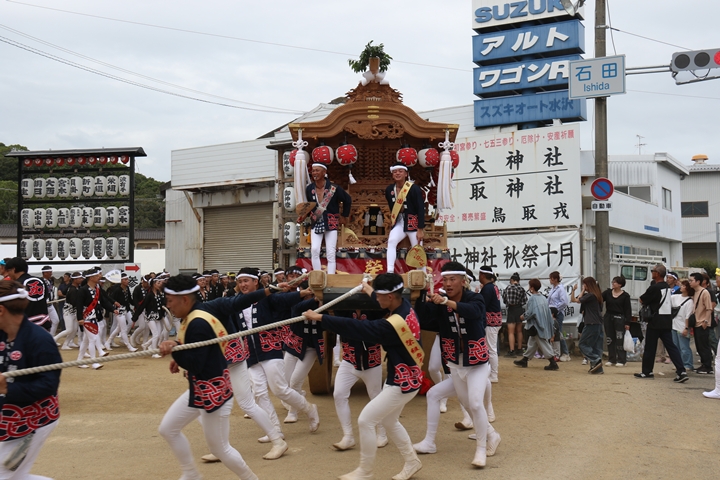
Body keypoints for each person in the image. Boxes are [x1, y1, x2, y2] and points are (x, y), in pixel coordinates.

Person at [304, 273, 424, 480]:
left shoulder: (391, 325)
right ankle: (412, 462)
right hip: (406, 375)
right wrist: (368, 289)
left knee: (366, 420)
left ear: (390, 297)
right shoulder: (404, 306)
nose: (376, 300)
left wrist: (321, 318)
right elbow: (380, 302)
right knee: (390, 421)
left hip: (402, 382)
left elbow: (359, 327)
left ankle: (365, 471)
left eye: (379, 296)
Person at [158, 275, 259, 480]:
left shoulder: (198, 323)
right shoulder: (194, 315)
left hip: (214, 393)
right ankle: (191, 473)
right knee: (168, 429)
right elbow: (195, 350)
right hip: (201, 388)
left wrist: (176, 351)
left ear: (184, 299)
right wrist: (178, 348)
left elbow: (196, 363)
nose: (168, 305)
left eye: (170, 301)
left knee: (220, 449)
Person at [413, 262, 497, 469]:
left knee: (475, 404)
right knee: (436, 395)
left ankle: (481, 449)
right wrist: (422, 294)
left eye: (452, 279)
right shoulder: (441, 303)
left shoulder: (475, 298)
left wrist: (446, 302)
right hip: (456, 365)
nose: (448, 284)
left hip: (477, 364)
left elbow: (475, 312)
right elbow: (424, 320)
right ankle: (430, 442)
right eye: (445, 280)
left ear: (463, 281)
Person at [0, 279, 62, 479]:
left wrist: (6, 388)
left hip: (33, 420)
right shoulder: (3, 334)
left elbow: (48, 384)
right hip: (8, 417)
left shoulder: (39, 339)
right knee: (15, 476)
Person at [329, 310, 388, 452]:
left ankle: (382, 433)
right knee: (339, 394)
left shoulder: (374, 307)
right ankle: (348, 436)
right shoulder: (344, 309)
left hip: (371, 362)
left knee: (376, 397)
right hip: (349, 360)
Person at [635, 264, 688, 383]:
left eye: (652, 271)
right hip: (666, 321)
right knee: (671, 347)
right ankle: (681, 371)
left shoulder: (654, 288)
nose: (651, 272)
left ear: (657, 274)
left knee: (650, 347)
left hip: (655, 321)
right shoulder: (667, 287)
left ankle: (647, 371)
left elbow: (642, 299)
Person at [302, 161, 352, 274]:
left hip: (331, 221)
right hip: (316, 221)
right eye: (313, 171)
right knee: (314, 249)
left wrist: (344, 215)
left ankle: (330, 276)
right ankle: (317, 275)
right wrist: (303, 215)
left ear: (324, 172)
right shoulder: (309, 189)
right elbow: (309, 205)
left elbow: (347, 200)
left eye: (317, 170)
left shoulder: (334, 188)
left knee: (330, 252)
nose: (314, 173)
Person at [384, 162, 425, 274]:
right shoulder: (389, 190)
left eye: (400, 171)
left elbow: (421, 209)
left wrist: (420, 229)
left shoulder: (414, 189)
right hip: (399, 222)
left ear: (406, 174)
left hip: (413, 223)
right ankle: (390, 271)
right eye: (395, 172)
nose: (397, 173)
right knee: (391, 241)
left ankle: (422, 274)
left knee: (417, 249)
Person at [75, 268, 117, 370]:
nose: (99, 277)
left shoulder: (97, 289)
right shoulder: (82, 290)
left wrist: (112, 309)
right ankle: (94, 362)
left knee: (86, 340)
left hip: (94, 317)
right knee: (93, 339)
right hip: (86, 318)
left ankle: (79, 360)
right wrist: (80, 318)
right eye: (97, 276)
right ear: (91, 278)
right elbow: (79, 305)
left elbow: (103, 301)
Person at [513, 278, 558, 370]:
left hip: (536, 325)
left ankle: (553, 362)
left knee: (543, 342)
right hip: (543, 323)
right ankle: (525, 359)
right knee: (532, 342)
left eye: (530, 286)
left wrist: (523, 317)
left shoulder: (532, 298)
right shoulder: (543, 298)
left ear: (532, 287)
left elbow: (530, 312)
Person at [4, 258, 50, 331]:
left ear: (13, 269)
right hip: (43, 322)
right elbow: (46, 296)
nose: (8, 274)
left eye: (8, 271)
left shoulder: (16, 285)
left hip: (26, 325)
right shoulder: (41, 281)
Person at [571, 277, 605, 375]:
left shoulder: (590, 295)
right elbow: (576, 299)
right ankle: (598, 368)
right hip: (598, 323)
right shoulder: (597, 295)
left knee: (582, 344)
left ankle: (596, 360)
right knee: (596, 346)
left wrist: (577, 290)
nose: (583, 286)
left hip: (591, 323)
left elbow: (576, 300)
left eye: (584, 284)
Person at [602, 276, 632, 367]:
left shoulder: (625, 296)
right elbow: (599, 299)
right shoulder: (607, 293)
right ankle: (612, 359)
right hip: (608, 317)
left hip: (620, 318)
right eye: (613, 281)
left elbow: (628, 310)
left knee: (620, 338)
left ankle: (621, 360)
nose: (613, 283)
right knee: (610, 338)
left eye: (615, 282)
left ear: (620, 284)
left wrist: (627, 322)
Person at [478, 266, 501, 382]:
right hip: (494, 321)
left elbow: (482, 305)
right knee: (490, 348)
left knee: (491, 349)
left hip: (491, 322)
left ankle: (494, 374)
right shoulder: (492, 286)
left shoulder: (487, 288)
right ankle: (490, 373)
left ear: (482, 275)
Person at [688, 272, 713, 374]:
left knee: (704, 345)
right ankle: (704, 365)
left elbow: (709, 308)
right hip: (696, 322)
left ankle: (708, 366)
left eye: (691, 280)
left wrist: (706, 321)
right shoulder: (695, 292)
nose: (690, 282)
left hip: (702, 323)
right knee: (699, 345)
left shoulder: (704, 292)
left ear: (698, 281)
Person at [106, 272, 137, 352]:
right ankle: (128, 346)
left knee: (124, 325)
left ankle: (108, 342)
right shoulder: (117, 290)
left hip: (126, 309)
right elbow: (110, 299)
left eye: (127, 279)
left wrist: (137, 304)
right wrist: (114, 304)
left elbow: (130, 299)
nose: (127, 281)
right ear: (121, 281)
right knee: (123, 328)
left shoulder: (127, 288)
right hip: (119, 310)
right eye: (125, 279)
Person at [670, 280, 695, 372]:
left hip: (682, 326)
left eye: (683, 286)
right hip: (673, 325)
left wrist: (686, 328)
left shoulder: (690, 301)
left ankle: (688, 364)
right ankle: (679, 364)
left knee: (684, 347)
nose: (681, 287)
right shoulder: (675, 297)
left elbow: (688, 316)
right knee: (675, 347)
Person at [54, 272, 83, 349]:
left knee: (74, 330)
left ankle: (66, 344)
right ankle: (54, 339)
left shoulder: (76, 287)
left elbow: (64, 292)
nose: (81, 280)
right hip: (68, 312)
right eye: (79, 278)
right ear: (75, 280)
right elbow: (74, 302)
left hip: (74, 312)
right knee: (69, 330)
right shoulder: (72, 290)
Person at [547, 271, 570, 361]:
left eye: (551, 278)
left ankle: (565, 353)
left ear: (555, 279)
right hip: (551, 313)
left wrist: (556, 309)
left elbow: (564, 302)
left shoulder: (560, 289)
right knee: (553, 333)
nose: (550, 280)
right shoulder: (553, 288)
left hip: (558, 313)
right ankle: (555, 352)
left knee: (558, 333)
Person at [502, 272, 526, 358]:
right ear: (518, 280)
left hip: (511, 309)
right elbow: (524, 300)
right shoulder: (522, 289)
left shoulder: (508, 288)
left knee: (511, 332)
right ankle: (519, 349)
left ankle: (512, 350)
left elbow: (504, 299)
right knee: (519, 331)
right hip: (519, 309)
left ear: (512, 280)